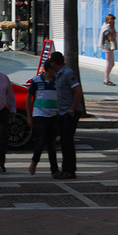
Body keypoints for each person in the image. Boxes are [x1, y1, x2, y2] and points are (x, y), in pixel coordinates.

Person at [49, 51, 84, 180]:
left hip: (69, 112)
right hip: (62, 111)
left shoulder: (68, 73)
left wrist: (72, 109)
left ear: (54, 62)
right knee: (64, 141)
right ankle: (65, 169)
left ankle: (71, 170)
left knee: (67, 141)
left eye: (51, 61)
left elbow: (78, 92)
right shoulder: (58, 74)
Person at [26, 59, 61, 178]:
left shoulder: (57, 81)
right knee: (41, 140)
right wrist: (29, 117)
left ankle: (54, 170)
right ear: (49, 69)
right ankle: (34, 162)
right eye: (54, 69)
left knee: (51, 143)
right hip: (39, 114)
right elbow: (29, 97)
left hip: (53, 114)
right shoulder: (36, 80)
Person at [97, 14, 118, 86]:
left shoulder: (110, 27)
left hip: (110, 48)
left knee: (112, 64)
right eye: (113, 21)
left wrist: (113, 27)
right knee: (109, 64)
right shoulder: (107, 28)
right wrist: (112, 28)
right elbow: (111, 38)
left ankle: (107, 78)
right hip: (108, 47)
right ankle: (106, 80)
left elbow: (115, 35)